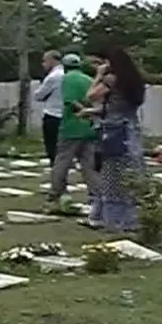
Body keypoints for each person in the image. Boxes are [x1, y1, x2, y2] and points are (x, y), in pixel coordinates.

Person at [84, 45, 149, 232]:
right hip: (131, 131)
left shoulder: (112, 79)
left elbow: (90, 95)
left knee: (112, 176)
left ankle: (114, 219)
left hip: (114, 132)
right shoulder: (134, 81)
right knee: (131, 174)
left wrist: (98, 75)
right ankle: (131, 217)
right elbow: (118, 106)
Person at [48, 54, 101, 208]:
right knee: (89, 165)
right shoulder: (88, 79)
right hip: (90, 128)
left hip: (72, 127)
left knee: (62, 162)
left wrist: (83, 112)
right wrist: (91, 115)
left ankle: (55, 193)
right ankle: (95, 195)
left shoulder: (67, 79)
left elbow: (70, 101)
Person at [33, 50, 65, 165]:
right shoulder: (66, 74)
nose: (43, 64)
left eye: (45, 61)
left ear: (52, 60)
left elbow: (38, 95)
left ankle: (55, 169)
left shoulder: (53, 77)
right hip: (66, 114)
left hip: (53, 114)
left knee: (52, 146)